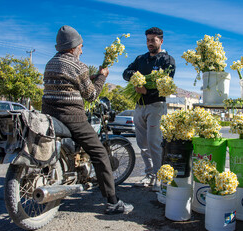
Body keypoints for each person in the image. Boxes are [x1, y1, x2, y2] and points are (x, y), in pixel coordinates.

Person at [42, 25, 133, 214]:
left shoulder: (50, 63)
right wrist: (102, 77)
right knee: (100, 154)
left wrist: (91, 76)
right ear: (73, 46)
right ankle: (113, 202)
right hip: (71, 117)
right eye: (81, 47)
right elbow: (91, 95)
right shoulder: (77, 65)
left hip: (49, 115)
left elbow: (68, 83)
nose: (82, 51)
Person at [123, 27, 176, 191]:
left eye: (153, 40)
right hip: (140, 106)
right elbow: (126, 72)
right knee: (142, 143)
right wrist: (136, 77)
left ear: (161, 41)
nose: (149, 43)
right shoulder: (141, 59)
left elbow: (167, 83)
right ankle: (149, 175)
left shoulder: (167, 60)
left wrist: (147, 90)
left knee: (154, 142)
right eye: (147, 40)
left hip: (156, 106)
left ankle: (161, 178)